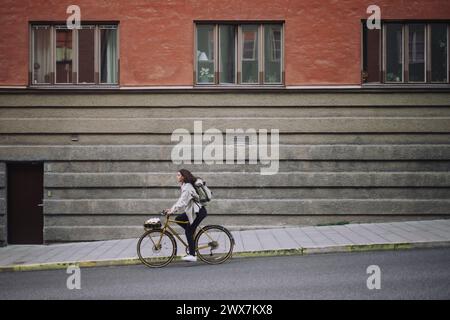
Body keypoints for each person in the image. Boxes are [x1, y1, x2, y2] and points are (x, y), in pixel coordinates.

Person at [164, 169, 207, 262]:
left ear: (183, 177)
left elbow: (182, 202)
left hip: (198, 212)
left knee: (188, 232)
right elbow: (181, 200)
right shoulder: (184, 185)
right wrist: (172, 209)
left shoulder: (187, 187)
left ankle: (192, 255)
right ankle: (191, 233)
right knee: (178, 218)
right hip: (192, 212)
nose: (177, 177)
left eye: (179, 175)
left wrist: (172, 210)